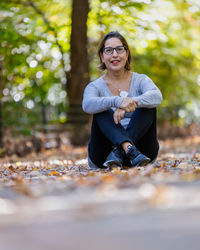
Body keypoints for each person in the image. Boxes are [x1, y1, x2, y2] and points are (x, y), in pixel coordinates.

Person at [82, 31, 162, 169]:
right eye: (108, 50)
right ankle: (127, 148)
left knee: (147, 105)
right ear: (102, 56)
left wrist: (130, 103)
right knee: (101, 108)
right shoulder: (94, 86)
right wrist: (116, 101)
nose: (115, 55)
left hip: (142, 153)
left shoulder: (141, 80)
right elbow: (87, 105)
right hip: (104, 156)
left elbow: (157, 96)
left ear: (126, 54)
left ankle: (120, 151)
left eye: (119, 49)